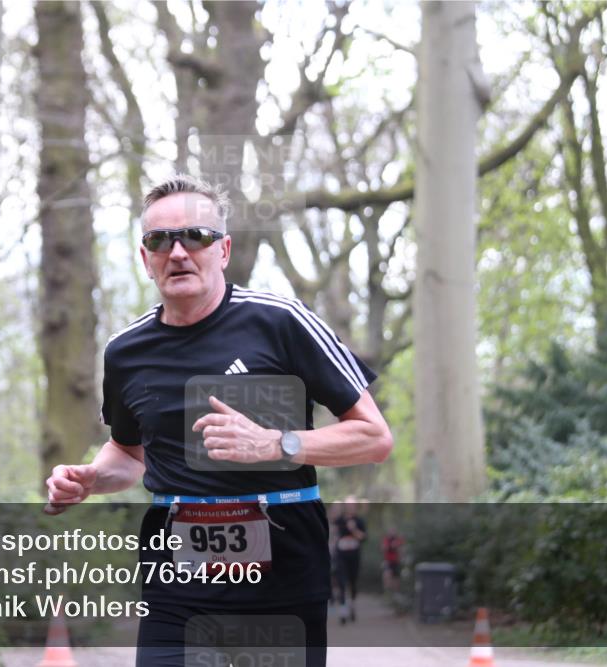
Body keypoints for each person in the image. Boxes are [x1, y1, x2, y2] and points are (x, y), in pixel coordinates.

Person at [44, 174, 394, 667]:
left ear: (224, 249)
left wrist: (277, 444)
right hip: (176, 580)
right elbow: (128, 454)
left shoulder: (281, 322)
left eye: (196, 236)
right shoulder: (126, 352)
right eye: (160, 240)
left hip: (284, 570)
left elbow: (374, 437)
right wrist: (91, 478)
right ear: (146, 259)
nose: (179, 252)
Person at [333, 495, 366, 625]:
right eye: (348, 505)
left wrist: (353, 529)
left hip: (354, 556)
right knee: (341, 582)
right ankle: (343, 611)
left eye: (352, 505)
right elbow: (334, 535)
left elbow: (363, 537)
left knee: (353, 582)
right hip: (341, 555)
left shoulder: (359, 521)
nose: (350, 507)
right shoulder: (339, 520)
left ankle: (352, 605)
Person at [382, 527, 404, 594]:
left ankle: (396, 593)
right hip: (388, 561)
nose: (392, 532)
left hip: (396, 561)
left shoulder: (398, 539)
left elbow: (402, 549)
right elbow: (383, 548)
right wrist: (391, 546)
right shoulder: (386, 539)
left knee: (396, 578)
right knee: (387, 576)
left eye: (393, 531)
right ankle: (387, 592)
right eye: (390, 531)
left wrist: (397, 547)